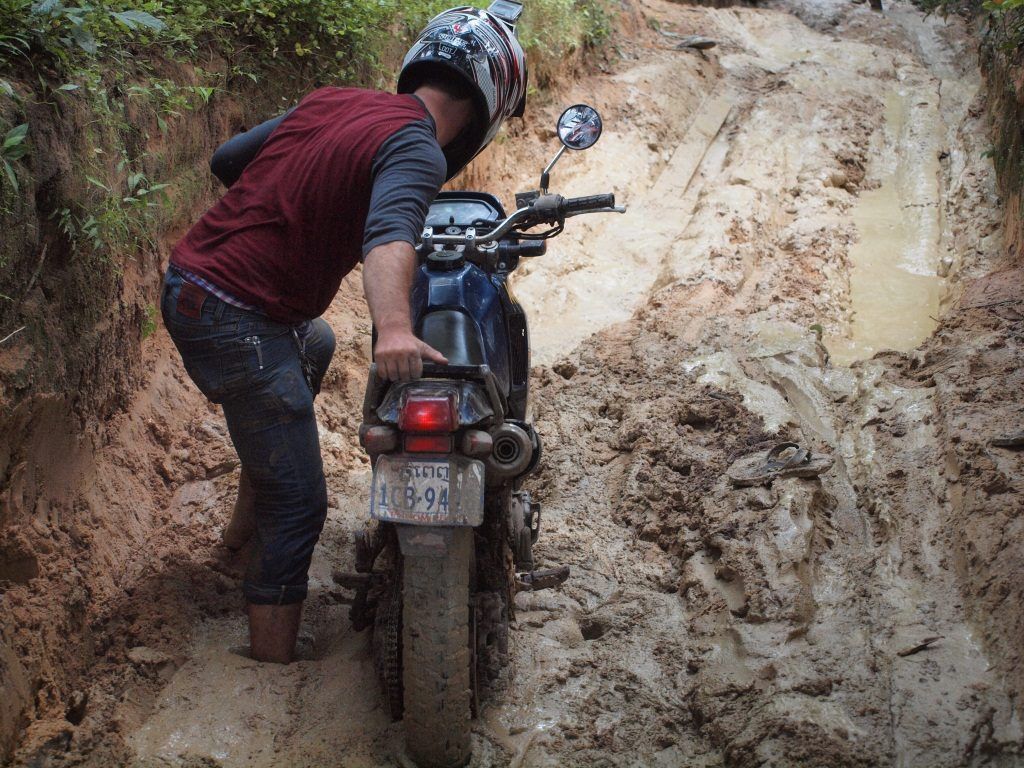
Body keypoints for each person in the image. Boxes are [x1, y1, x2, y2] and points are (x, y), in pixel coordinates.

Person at [160, 6, 528, 664]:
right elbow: (390, 237)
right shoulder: (418, 148)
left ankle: (238, 539)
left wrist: (298, 207)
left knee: (318, 343)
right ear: (485, 112)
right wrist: (393, 327)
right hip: (233, 314)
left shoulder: (337, 102)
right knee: (301, 504)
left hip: (198, 281)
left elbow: (228, 160)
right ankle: (270, 659)